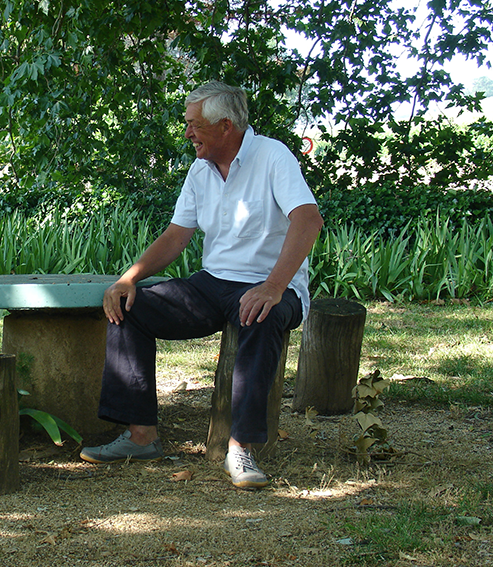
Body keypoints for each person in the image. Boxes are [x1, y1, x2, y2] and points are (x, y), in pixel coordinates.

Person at [79, 82, 324, 489]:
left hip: (272, 287)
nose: (188, 133)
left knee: (259, 316)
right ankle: (141, 436)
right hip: (212, 284)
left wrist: (273, 287)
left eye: (194, 125)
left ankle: (240, 448)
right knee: (130, 307)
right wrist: (128, 278)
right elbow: (177, 236)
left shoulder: (273, 156)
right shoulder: (200, 170)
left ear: (225, 126)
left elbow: (308, 219)